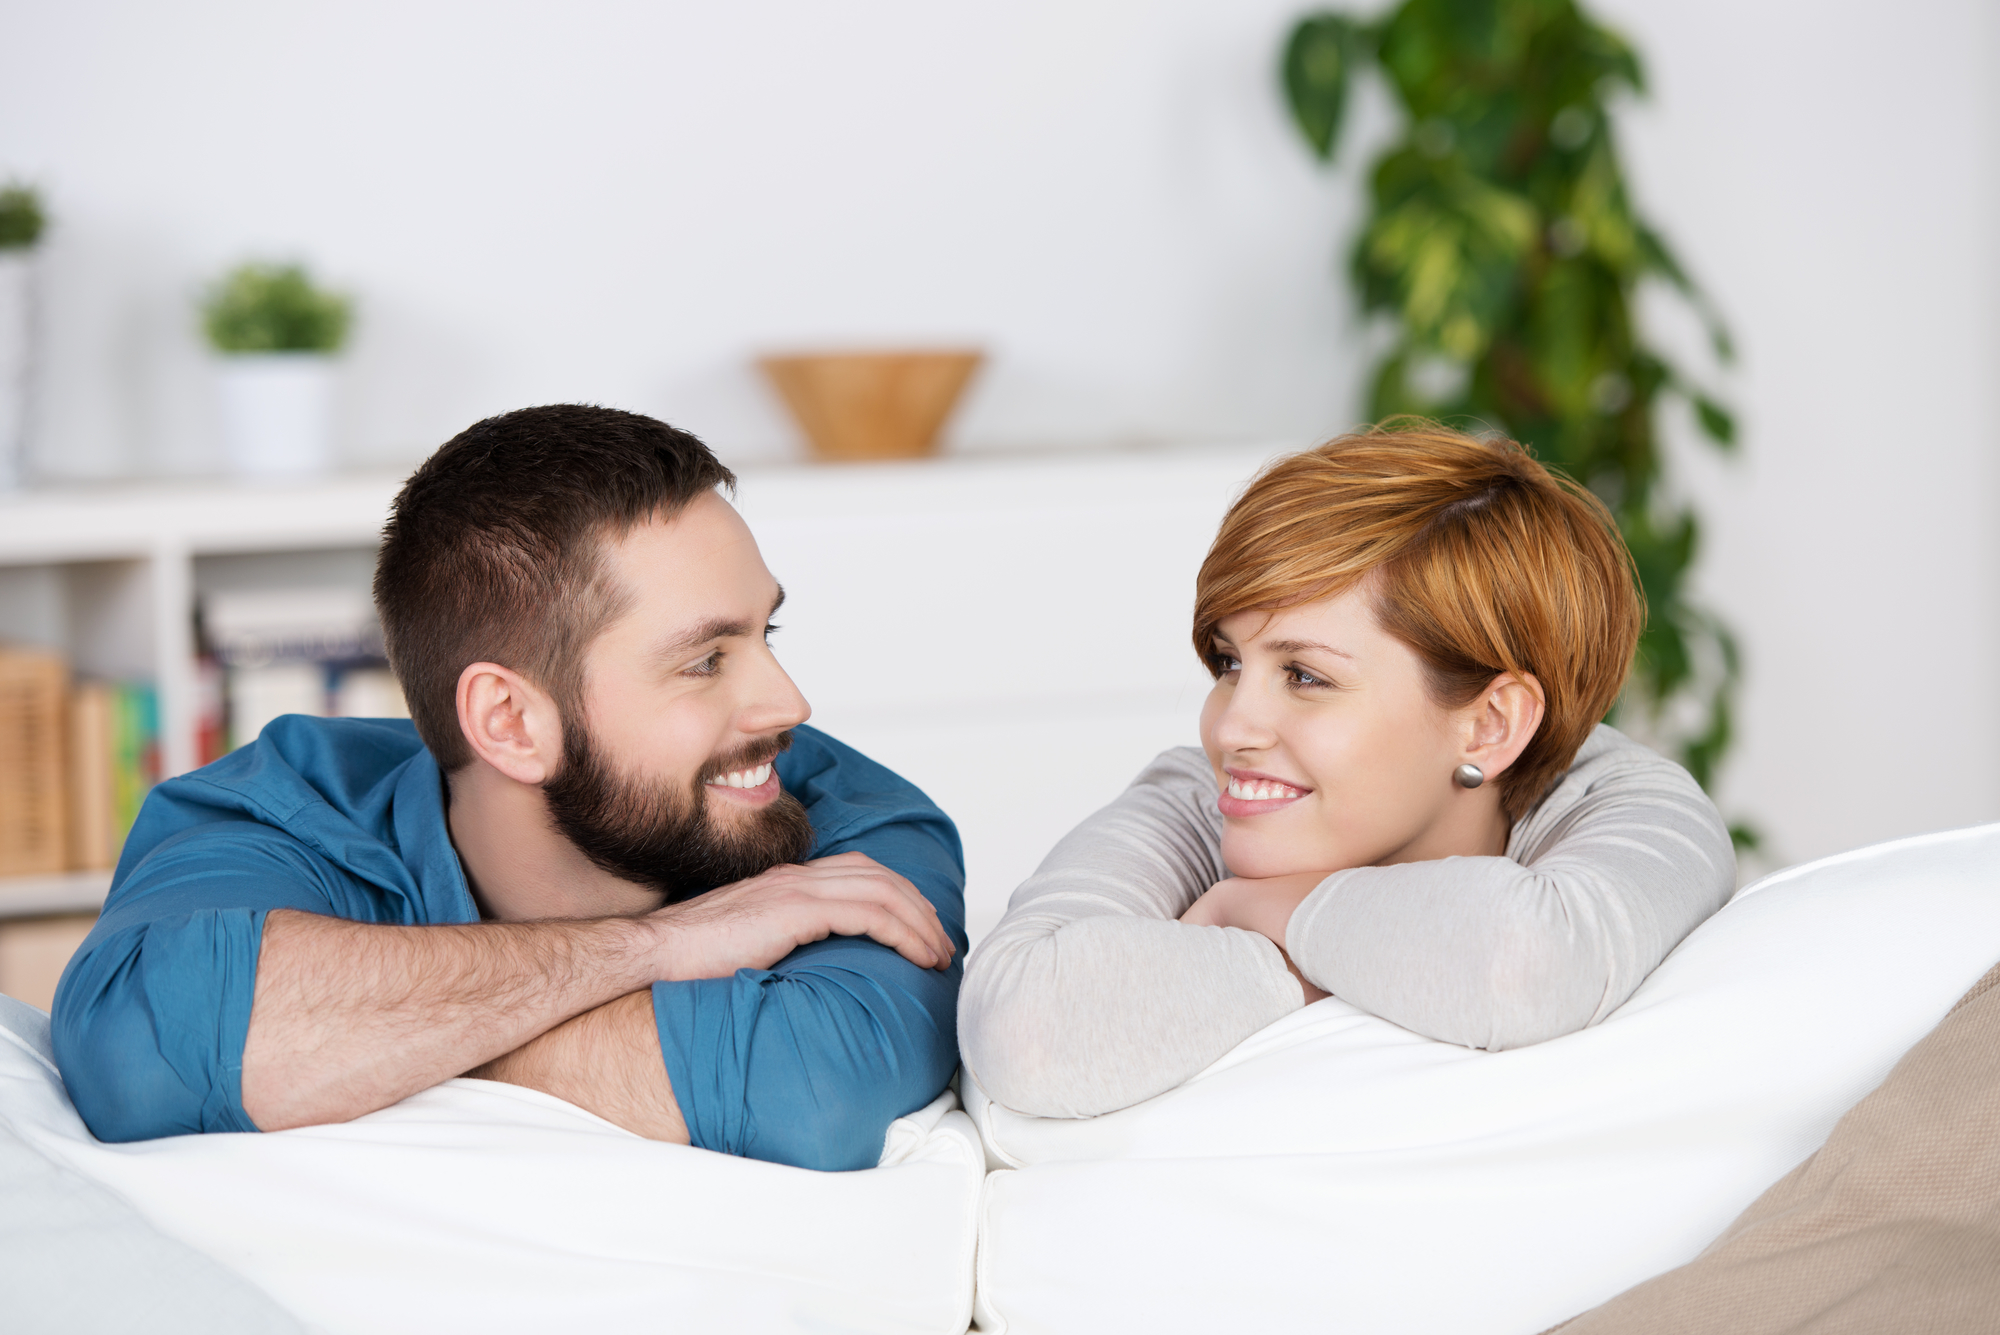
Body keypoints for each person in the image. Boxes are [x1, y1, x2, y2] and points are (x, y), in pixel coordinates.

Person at [52, 405, 965, 1172]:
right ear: (511, 722)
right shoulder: (274, 806)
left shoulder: (846, 817)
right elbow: (134, 1051)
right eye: (705, 661)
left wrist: (359, 1049)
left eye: (768, 633)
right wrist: (657, 947)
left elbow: (812, 1088)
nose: (788, 703)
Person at [959, 423, 1737, 1119]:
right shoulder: (1196, 798)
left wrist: (1257, 910)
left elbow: (1525, 964)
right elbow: (1023, 1030)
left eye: (1305, 675)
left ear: (1490, 724)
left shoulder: (1627, 801)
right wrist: (1314, 960)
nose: (1229, 728)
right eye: (1229, 662)